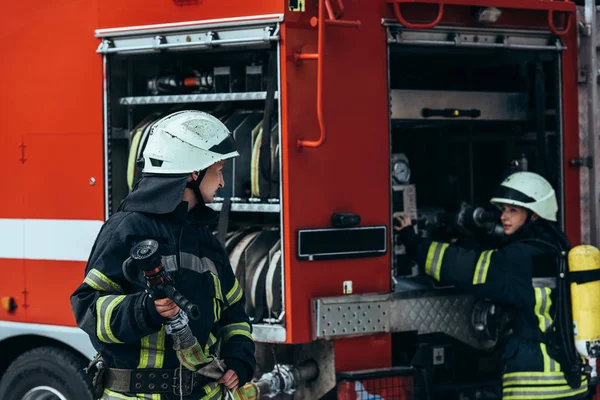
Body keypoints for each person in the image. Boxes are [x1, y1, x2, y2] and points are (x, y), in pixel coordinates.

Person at [71, 110, 256, 400]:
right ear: (194, 172)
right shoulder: (126, 229)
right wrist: (144, 310)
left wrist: (239, 358)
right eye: (218, 170)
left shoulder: (205, 240)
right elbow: (88, 309)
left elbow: (234, 311)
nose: (221, 182)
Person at [395, 171, 588, 400]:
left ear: (534, 215)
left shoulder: (517, 259)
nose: (504, 217)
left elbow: (462, 268)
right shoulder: (557, 250)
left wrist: (414, 242)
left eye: (513, 210)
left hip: (536, 383)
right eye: (503, 210)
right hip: (571, 379)